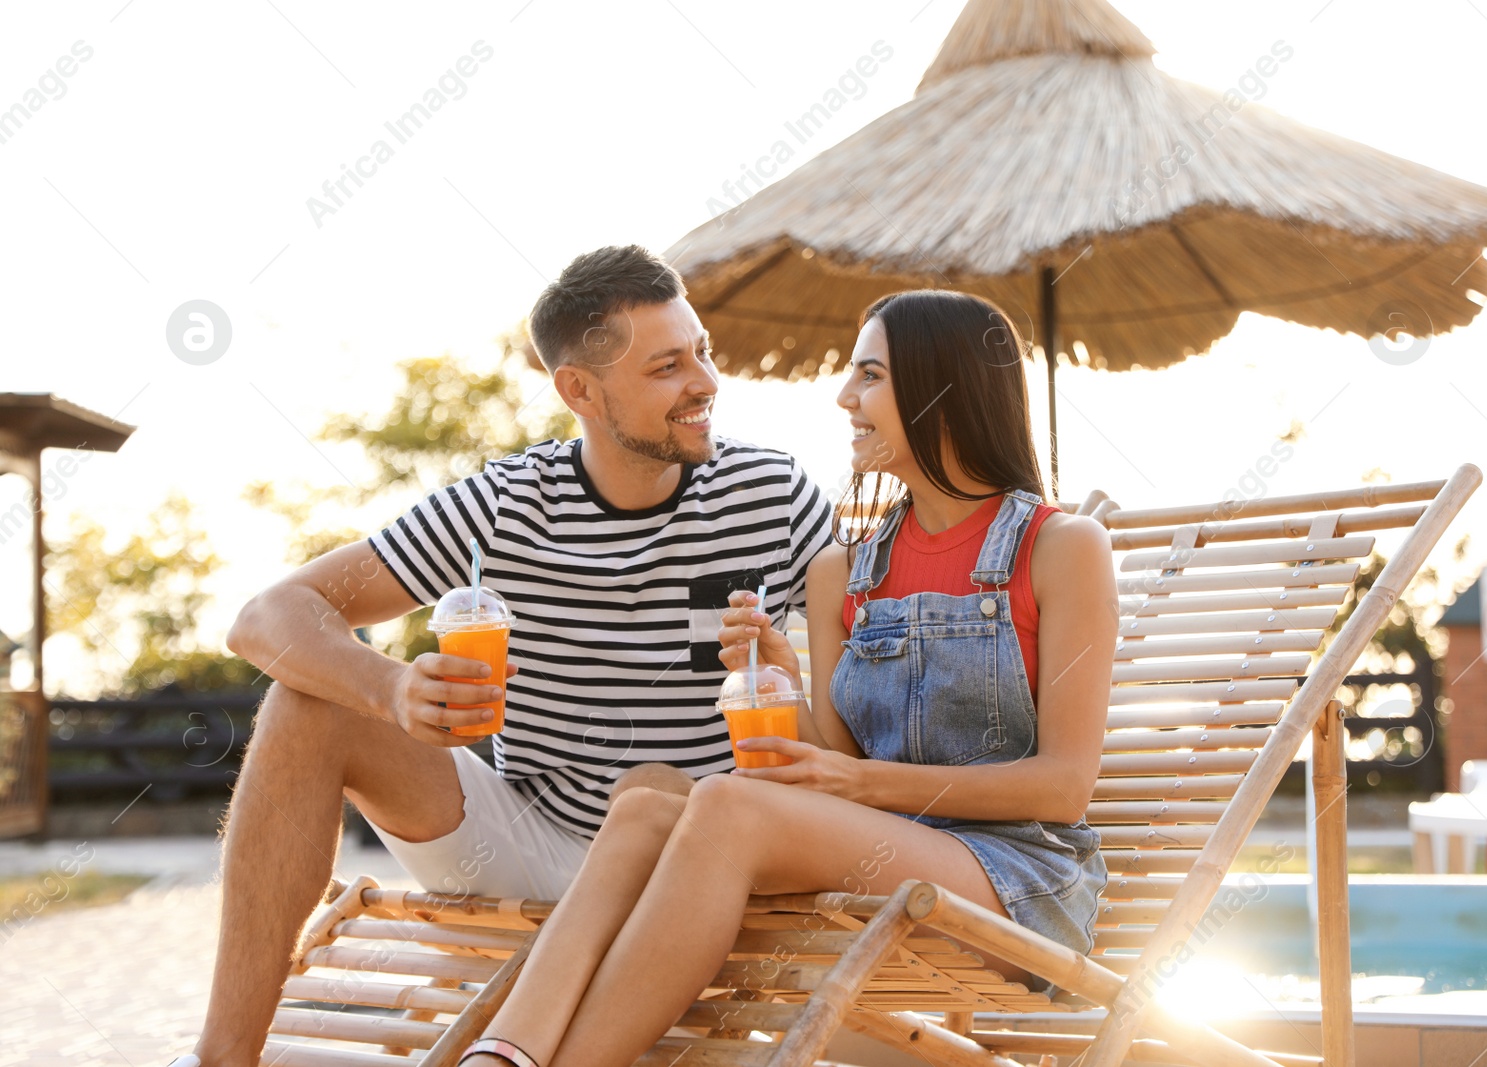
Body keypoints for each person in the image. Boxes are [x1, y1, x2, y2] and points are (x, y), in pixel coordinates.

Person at [182, 245, 833, 1067]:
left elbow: (868, 670)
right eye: (669, 365)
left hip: (696, 864)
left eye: (702, 351)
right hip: (528, 841)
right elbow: (265, 616)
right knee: (309, 701)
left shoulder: (773, 495)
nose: (705, 382)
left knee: (657, 789)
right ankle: (220, 1059)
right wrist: (394, 689)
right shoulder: (504, 504)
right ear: (580, 391)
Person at [453, 289, 1115, 1067]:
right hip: (890, 851)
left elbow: (1062, 787)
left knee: (730, 803)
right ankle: (499, 1054)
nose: (844, 398)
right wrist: (786, 687)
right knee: (644, 798)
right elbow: (840, 758)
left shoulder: (1062, 547)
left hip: (1014, 880)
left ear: (943, 388)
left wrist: (858, 783)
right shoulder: (844, 571)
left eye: (869, 376)